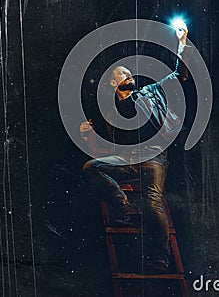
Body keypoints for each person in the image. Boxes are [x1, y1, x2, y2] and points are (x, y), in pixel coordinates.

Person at [80, 21, 192, 273]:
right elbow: (97, 135)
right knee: (92, 167)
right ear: (112, 83)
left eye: (130, 73)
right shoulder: (106, 110)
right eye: (123, 73)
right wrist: (86, 129)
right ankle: (126, 207)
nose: (129, 75)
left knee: (153, 201)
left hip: (152, 156)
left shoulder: (148, 93)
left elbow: (178, 76)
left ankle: (160, 258)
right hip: (127, 159)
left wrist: (182, 45)